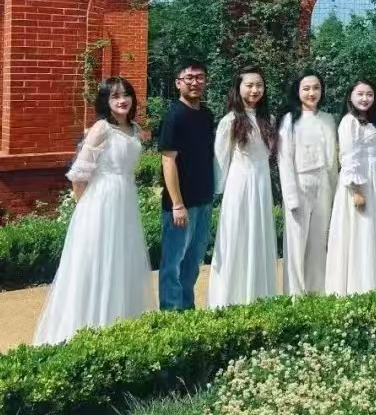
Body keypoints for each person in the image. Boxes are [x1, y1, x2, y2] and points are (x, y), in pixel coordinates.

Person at [34, 78, 153, 344]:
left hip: (126, 201)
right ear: (106, 101)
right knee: (97, 261)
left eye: (126, 95)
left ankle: (120, 326)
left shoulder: (134, 129)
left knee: (122, 261)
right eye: (115, 96)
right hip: (100, 203)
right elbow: (79, 175)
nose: (122, 100)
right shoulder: (101, 129)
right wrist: (86, 210)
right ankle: (85, 329)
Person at [208, 66, 278, 307]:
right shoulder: (230, 121)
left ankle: (259, 296)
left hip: (262, 183)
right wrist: (220, 190)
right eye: (249, 85)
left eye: (259, 85)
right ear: (238, 88)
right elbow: (221, 158)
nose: (254, 90)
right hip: (239, 184)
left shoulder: (269, 120)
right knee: (236, 236)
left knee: (260, 236)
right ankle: (230, 298)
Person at [326, 80, 376, 295]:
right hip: (358, 184)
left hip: (375, 182)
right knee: (359, 231)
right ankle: (357, 286)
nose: (365, 98)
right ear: (350, 96)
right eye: (360, 94)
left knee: (374, 231)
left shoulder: (372, 122)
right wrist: (356, 191)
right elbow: (348, 157)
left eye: (369, 94)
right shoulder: (349, 122)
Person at [158, 60, 216, 311]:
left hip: (203, 200)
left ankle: (187, 311)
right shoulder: (174, 116)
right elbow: (168, 160)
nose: (195, 82)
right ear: (178, 83)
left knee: (192, 262)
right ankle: (171, 314)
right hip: (181, 205)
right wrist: (177, 204)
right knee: (173, 263)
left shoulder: (206, 115)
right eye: (189, 78)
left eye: (199, 77)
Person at [277, 71, 338, 296]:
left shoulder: (328, 119)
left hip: (324, 184)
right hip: (300, 182)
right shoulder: (290, 120)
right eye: (306, 88)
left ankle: (317, 291)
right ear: (298, 91)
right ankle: (295, 293)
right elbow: (284, 159)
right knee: (296, 241)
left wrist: (335, 191)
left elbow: (333, 161)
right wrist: (291, 196)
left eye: (316, 88)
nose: (312, 93)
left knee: (319, 240)